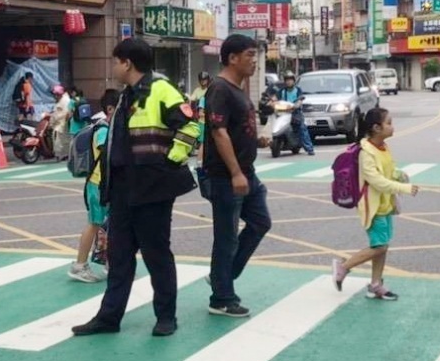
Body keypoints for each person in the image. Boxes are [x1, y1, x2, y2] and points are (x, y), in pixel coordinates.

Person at [72, 38, 201, 338]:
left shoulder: (161, 89)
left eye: (115, 61)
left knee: (157, 254)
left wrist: (171, 161)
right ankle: (109, 318)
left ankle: (166, 317)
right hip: (123, 188)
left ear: (127, 63)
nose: (113, 67)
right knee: (119, 257)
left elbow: (192, 126)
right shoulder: (126, 96)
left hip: (153, 187)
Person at [203, 34, 272, 318]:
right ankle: (221, 297)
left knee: (260, 222)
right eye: (249, 55)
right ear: (232, 58)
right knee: (227, 237)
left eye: (255, 55)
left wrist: (256, 142)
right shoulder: (219, 89)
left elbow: (232, 130)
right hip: (225, 176)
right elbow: (218, 132)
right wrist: (235, 173)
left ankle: (223, 276)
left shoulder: (238, 89)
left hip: (246, 172)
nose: (254, 61)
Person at [331, 107, 418, 300]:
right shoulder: (366, 152)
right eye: (389, 122)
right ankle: (343, 267)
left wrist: (399, 175)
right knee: (379, 247)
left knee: (382, 245)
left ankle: (376, 284)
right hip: (373, 207)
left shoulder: (383, 147)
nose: (392, 126)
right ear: (377, 128)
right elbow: (376, 180)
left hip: (385, 204)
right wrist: (402, 188)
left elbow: (388, 170)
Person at [68, 88, 119, 284]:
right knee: (94, 224)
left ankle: (109, 264)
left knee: (108, 224)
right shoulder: (104, 130)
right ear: (110, 109)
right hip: (98, 184)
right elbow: (106, 156)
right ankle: (79, 266)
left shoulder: (107, 128)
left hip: (103, 185)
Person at [276, 72, 315, 156]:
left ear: (294, 81)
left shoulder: (298, 90)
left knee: (302, 128)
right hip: (283, 113)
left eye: (290, 80)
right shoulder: (282, 91)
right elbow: (276, 99)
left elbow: (300, 99)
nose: (288, 82)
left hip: (295, 113)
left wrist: (297, 105)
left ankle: (309, 148)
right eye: (287, 80)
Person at [51, 83, 73, 160]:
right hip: (58, 123)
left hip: (63, 123)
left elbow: (66, 113)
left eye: (55, 95)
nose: (55, 96)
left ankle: (62, 154)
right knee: (59, 139)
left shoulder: (66, 101)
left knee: (62, 140)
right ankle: (61, 154)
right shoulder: (60, 101)